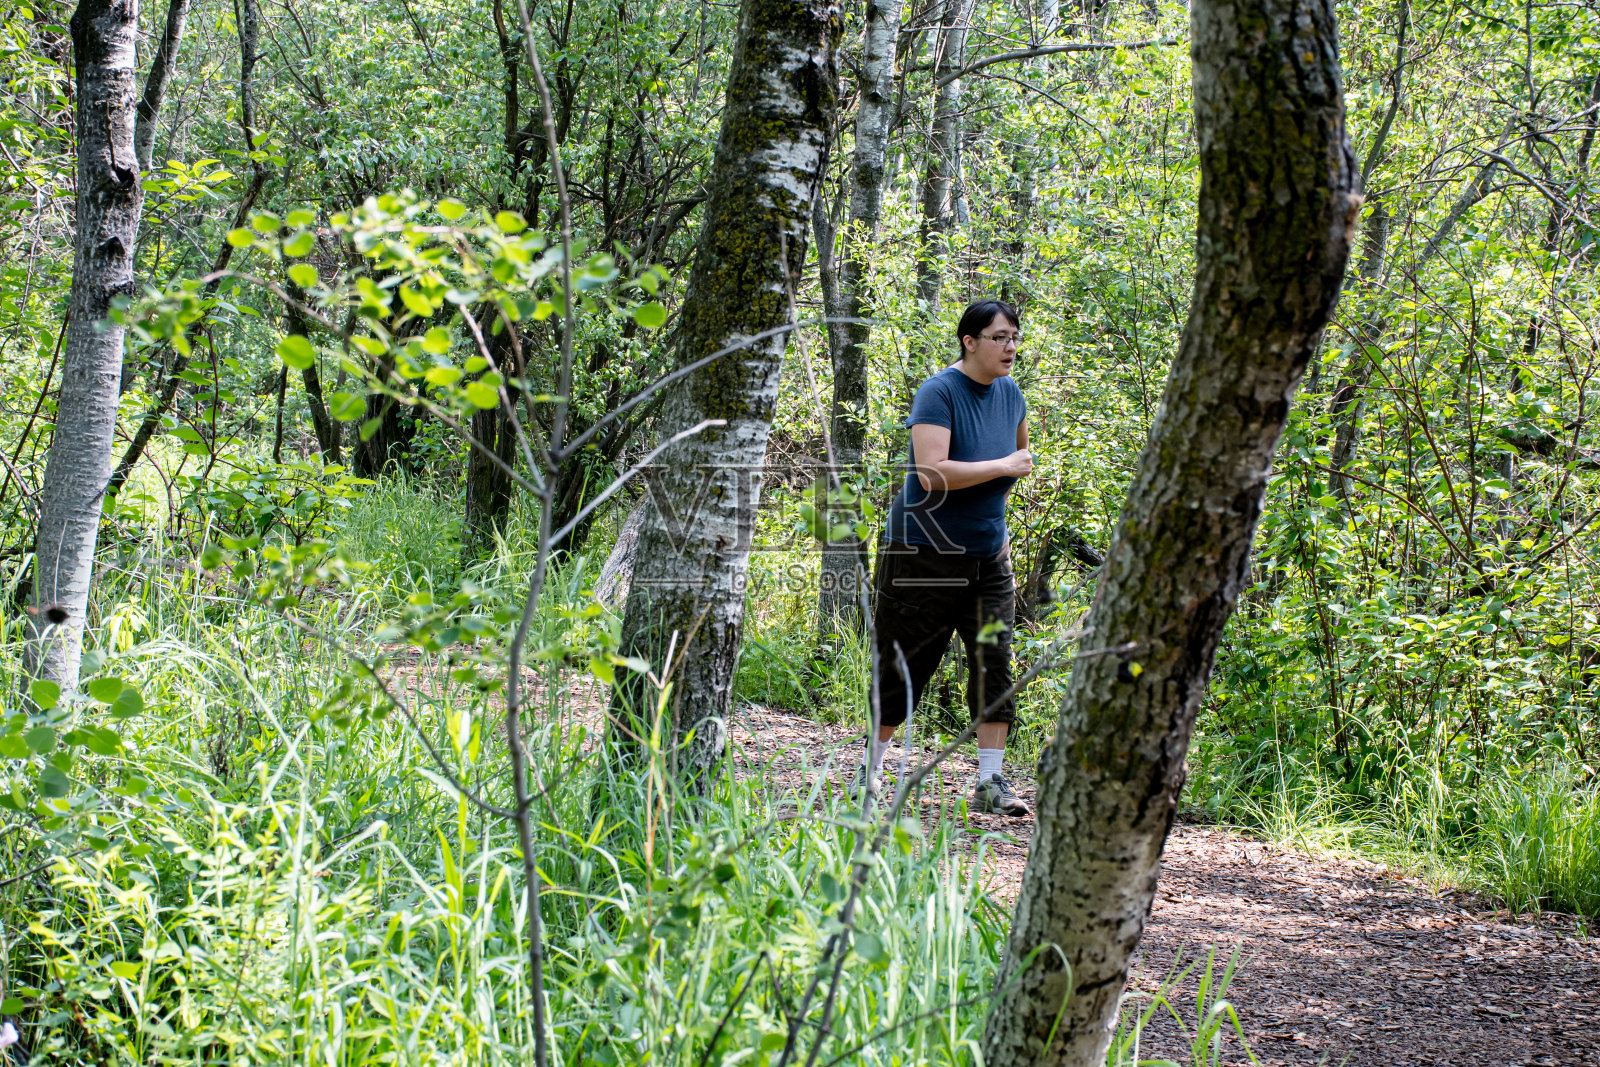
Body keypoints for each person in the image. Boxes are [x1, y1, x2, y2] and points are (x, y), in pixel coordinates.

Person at [861, 299, 1032, 816]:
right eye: (1000, 337)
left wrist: (999, 533)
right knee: (904, 665)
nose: (1010, 347)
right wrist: (1003, 463)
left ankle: (990, 783)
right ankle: (868, 778)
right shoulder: (939, 392)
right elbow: (932, 471)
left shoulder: (1012, 395)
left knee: (994, 663)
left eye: (1015, 337)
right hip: (922, 553)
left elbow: (1019, 463)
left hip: (987, 557)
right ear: (970, 341)